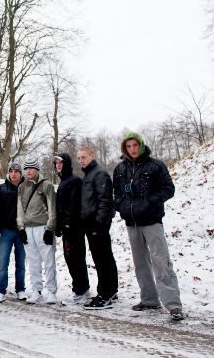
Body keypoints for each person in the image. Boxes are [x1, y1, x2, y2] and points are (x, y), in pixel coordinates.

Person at [113, 132, 184, 321]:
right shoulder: (120, 169)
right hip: (131, 222)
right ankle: (149, 299)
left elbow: (168, 189)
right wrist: (121, 206)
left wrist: (149, 202)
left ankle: (174, 305)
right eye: (128, 146)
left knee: (161, 262)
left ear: (141, 145)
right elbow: (117, 193)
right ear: (124, 148)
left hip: (152, 221)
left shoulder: (156, 166)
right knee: (140, 263)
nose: (132, 149)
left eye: (135, 145)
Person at [77, 146, 118, 310]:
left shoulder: (99, 174)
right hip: (91, 224)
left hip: (97, 225)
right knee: (105, 257)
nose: (81, 160)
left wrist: (100, 224)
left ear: (92, 156)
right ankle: (111, 290)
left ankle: (105, 295)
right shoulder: (89, 175)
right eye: (79, 158)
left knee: (102, 260)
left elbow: (105, 201)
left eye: (84, 157)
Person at [16, 160, 58, 305]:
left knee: (49, 260)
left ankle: (52, 291)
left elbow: (52, 208)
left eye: (31, 169)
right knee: (33, 261)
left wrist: (50, 228)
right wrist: (20, 227)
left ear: (37, 170)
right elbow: (20, 209)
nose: (28, 171)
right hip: (28, 228)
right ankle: (37, 290)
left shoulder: (47, 185)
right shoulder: (21, 187)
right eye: (26, 169)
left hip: (43, 227)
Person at [53, 153, 91, 306]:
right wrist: (58, 226)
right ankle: (82, 289)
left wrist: (68, 224)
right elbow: (60, 207)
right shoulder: (64, 181)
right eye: (56, 163)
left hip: (74, 228)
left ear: (67, 163)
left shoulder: (74, 181)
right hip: (67, 228)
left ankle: (80, 291)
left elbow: (74, 205)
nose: (58, 165)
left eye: (61, 162)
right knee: (72, 259)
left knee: (75, 259)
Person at [0, 162, 28, 303]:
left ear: (21, 173)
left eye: (16, 171)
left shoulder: (27, 188)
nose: (14, 173)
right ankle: (0, 290)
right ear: (8, 173)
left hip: (22, 231)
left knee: (21, 263)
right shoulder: (1, 189)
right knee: (3, 262)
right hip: (7, 231)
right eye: (11, 171)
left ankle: (20, 289)